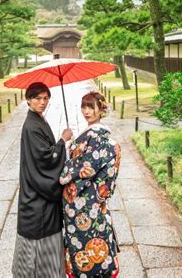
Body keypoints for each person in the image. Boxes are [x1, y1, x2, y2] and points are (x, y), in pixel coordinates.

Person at [12, 82, 73, 278]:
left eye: (46, 98)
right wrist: (63, 141)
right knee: (40, 252)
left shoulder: (37, 120)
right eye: (37, 98)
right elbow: (45, 159)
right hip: (38, 197)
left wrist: (61, 146)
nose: (42, 102)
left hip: (36, 191)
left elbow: (46, 153)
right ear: (28, 99)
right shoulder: (31, 126)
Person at [60, 91, 121, 278]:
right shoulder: (94, 134)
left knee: (85, 240)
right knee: (98, 235)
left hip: (83, 203)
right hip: (95, 201)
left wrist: (63, 172)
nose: (86, 111)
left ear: (100, 109)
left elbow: (85, 168)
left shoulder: (95, 136)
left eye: (91, 107)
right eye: (84, 107)